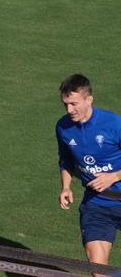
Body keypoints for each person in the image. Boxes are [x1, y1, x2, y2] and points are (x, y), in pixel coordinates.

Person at [56, 74, 121, 275]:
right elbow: (66, 160)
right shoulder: (63, 127)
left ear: (89, 100)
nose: (69, 110)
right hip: (97, 204)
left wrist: (115, 176)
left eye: (74, 104)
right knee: (97, 271)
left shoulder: (114, 124)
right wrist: (66, 186)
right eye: (65, 104)